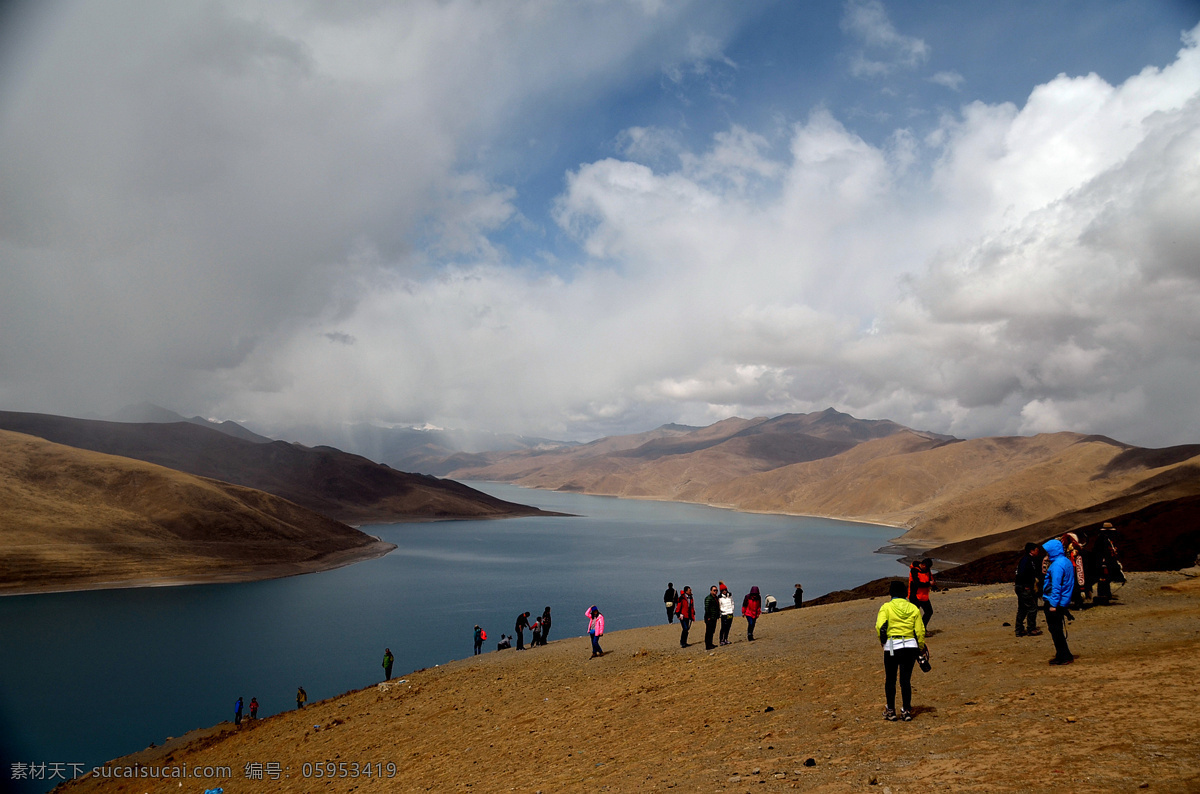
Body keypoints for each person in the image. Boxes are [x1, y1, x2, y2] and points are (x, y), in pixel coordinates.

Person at [876, 580, 927, 722]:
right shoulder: (913, 608)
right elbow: (920, 630)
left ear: (891, 593)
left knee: (890, 679)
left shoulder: (886, 607)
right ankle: (906, 710)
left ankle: (890, 710)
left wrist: (883, 641)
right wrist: (921, 646)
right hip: (910, 646)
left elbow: (879, 626)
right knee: (905, 680)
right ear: (905, 593)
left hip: (892, 646)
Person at [1043, 538, 1076, 665]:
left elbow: (1056, 586)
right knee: (1057, 630)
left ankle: (1064, 656)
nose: (1046, 554)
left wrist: (1053, 604)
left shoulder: (1056, 565)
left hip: (1054, 602)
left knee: (1055, 630)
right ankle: (1062, 654)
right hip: (1062, 601)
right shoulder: (1065, 561)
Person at [1014, 544, 1043, 637]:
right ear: (1031, 551)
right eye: (1036, 550)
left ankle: (1019, 629)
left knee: (1022, 608)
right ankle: (1031, 629)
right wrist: (1026, 585)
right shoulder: (1027, 560)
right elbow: (1022, 574)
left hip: (1021, 587)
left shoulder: (1027, 560)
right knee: (1032, 608)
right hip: (1024, 587)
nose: (1037, 552)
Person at [1094, 523, 1124, 604]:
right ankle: (1102, 595)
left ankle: (1107, 594)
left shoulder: (1105, 539)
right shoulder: (1102, 540)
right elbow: (1100, 552)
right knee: (1103, 579)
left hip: (1106, 561)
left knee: (1107, 578)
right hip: (1103, 562)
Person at [908, 558, 936, 628]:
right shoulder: (914, 570)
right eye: (926, 567)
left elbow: (930, 579)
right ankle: (914, 631)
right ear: (923, 565)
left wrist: (934, 586)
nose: (927, 569)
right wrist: (929, 584)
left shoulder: (927, 570)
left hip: (924, 596)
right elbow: (917, 584)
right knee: (915, 615)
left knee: (929, 612)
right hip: (915, 596)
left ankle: (922, 628)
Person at [703, 585, 720, 650]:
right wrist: (708, 616)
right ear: (711, 591)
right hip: (709, 617)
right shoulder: (708, 598)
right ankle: (708, 645)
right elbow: (707, 608)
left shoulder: (715, 598)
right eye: (714, 590)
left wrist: (717, 615)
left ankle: (710, 643)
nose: (715, 592)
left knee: (712, 631)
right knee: (708, 631)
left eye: (716, 590)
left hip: (714, 617)